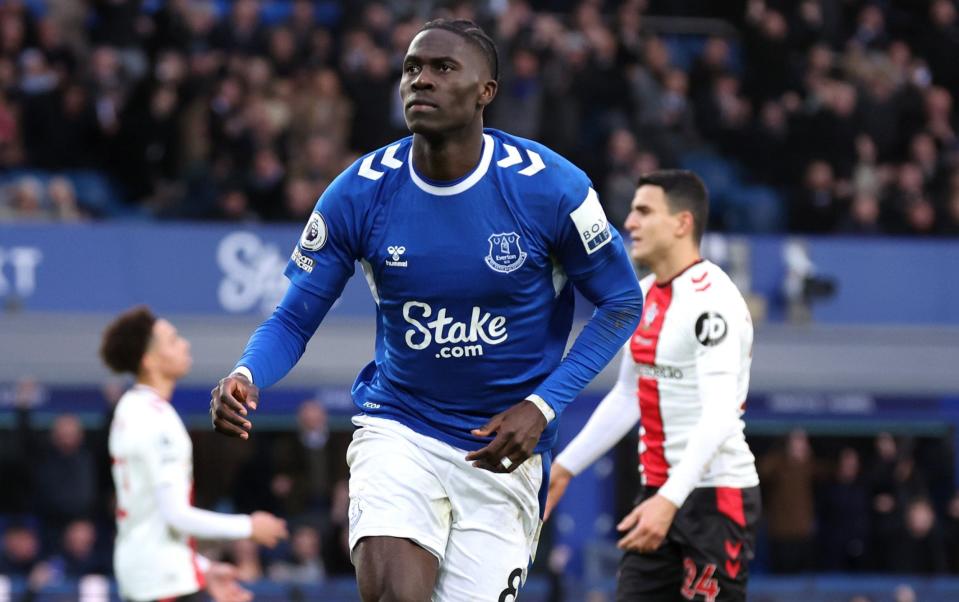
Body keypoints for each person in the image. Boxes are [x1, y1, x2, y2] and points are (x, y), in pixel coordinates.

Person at [209, 18, 643, 601]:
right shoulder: (358, 193)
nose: (421, 81)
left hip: (503, 454)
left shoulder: (554, 189)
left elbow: (621, 303)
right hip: (400, 428)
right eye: (412, 69)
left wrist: (542, 406)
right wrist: (245, 372)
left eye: (443, 69)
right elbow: (292, 318)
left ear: (486, 90)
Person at [545, 170, 760, 601]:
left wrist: (670, 500)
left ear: (682, 223)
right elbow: (628, 396)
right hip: (657, 496)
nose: (629, 223)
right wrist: (564, 468)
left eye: (644, 211)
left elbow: (719, 416)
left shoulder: (713, 301)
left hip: (714, 499)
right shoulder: (643, 295)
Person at [100, 306, 288, 602]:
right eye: (173, 340)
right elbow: (175, 514)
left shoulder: (131, 409)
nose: (185, 344)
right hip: (162, 583)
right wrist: (248, 527)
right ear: (149, 360)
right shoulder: (156, 419)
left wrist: (203, 569)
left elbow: (153, 517)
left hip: (149, 575)